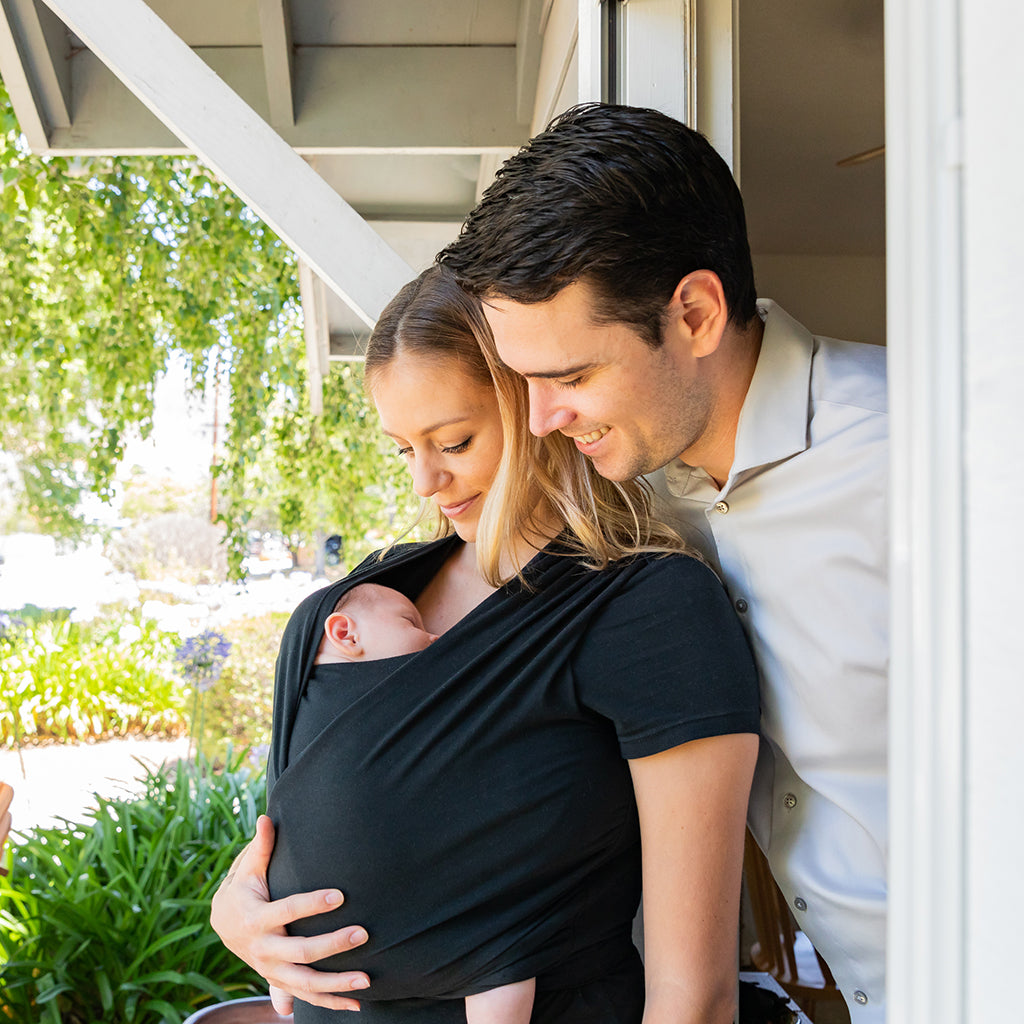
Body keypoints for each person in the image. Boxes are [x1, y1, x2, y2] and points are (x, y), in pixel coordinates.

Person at [213, 266, 761, 1023]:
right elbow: (291, 836)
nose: (427, 482)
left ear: (532, 403)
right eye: (404, 450)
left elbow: (693, 994)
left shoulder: (647, 610)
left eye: (455, 441)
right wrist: (235, 912)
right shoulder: (345, 614)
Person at [438, 103, 888, 1022]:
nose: (540, 419)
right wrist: (262, 882)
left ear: (693, 314)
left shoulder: (930, 458)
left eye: (569, 376)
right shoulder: (625, 504)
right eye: (524, 381)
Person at [312, 581, 534, 1024]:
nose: (434, 637)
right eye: (411, 623)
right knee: (503, 958)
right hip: (396, 919)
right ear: (346, 634)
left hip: (327, 918)